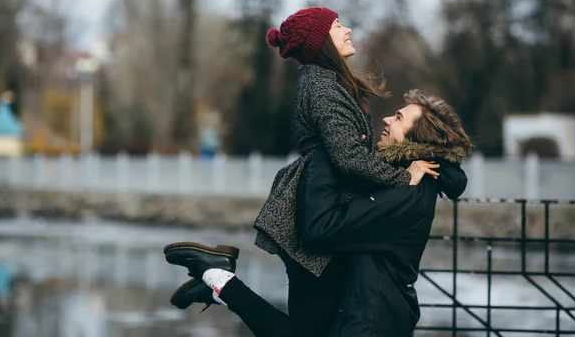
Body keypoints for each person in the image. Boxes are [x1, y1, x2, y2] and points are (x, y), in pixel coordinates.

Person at [164, 90, 472, 337]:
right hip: (358, 310)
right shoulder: (400, 178)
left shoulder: (410, 191)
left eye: (400, 118)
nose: (387, 119)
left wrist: (326, 152)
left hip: (370, 322)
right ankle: (219, 282)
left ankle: (219, 280)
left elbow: (321, 229)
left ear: (418, 140)